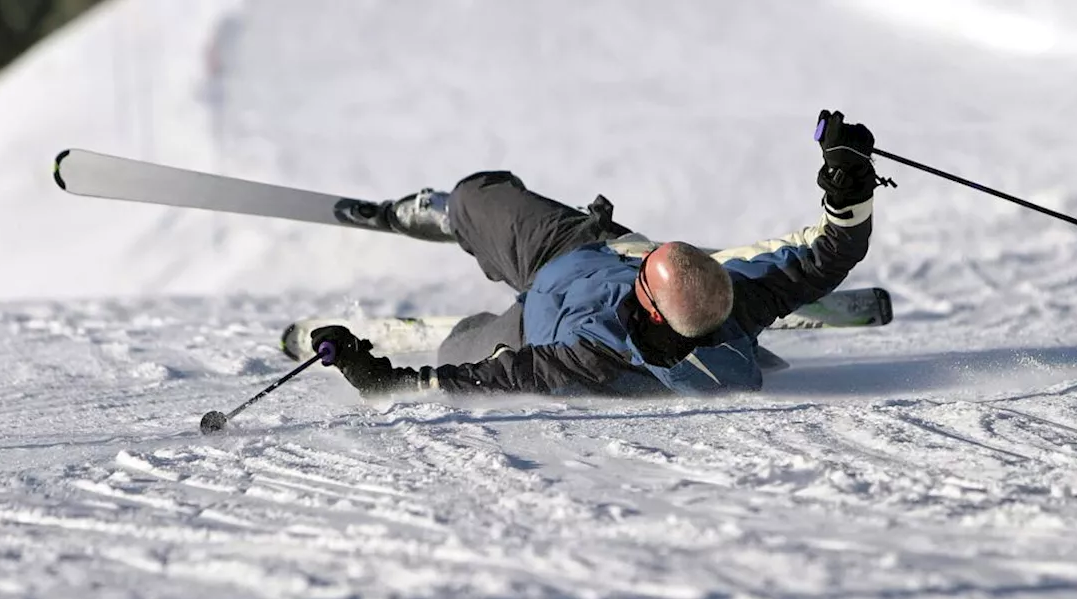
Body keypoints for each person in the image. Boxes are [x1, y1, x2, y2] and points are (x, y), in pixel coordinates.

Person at [310, 110, 882, 397]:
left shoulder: (593, 358)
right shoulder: (741, 298)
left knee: (462, 342)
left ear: (654, 309)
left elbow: (496, 379)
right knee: (476, 196)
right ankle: (443, 214)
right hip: (576, 246)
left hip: (522, 328)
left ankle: (449, 304)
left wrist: (384, 378)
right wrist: (847, 181)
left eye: (644, 280)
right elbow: (829, 252)